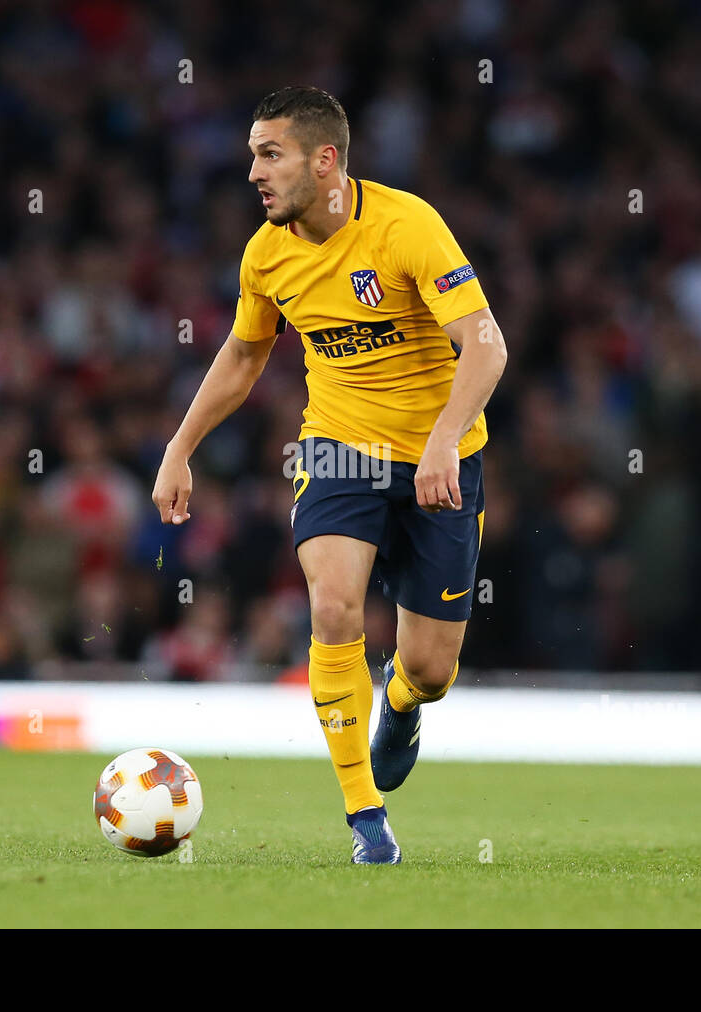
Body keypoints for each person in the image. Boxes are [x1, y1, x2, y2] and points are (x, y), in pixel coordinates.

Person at [152, 86, 506, 863]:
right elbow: (245, 357)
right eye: (252, 154)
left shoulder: (407, 225)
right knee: (336, 606)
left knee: (431, 668)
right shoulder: (266, 255)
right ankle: (365, 818)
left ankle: (404, 704)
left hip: (438, 458)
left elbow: (485, 345)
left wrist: (446, 439)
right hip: (338, 451)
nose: (253, 172)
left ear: (326, 160)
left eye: (269, 154)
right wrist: (180, 448)